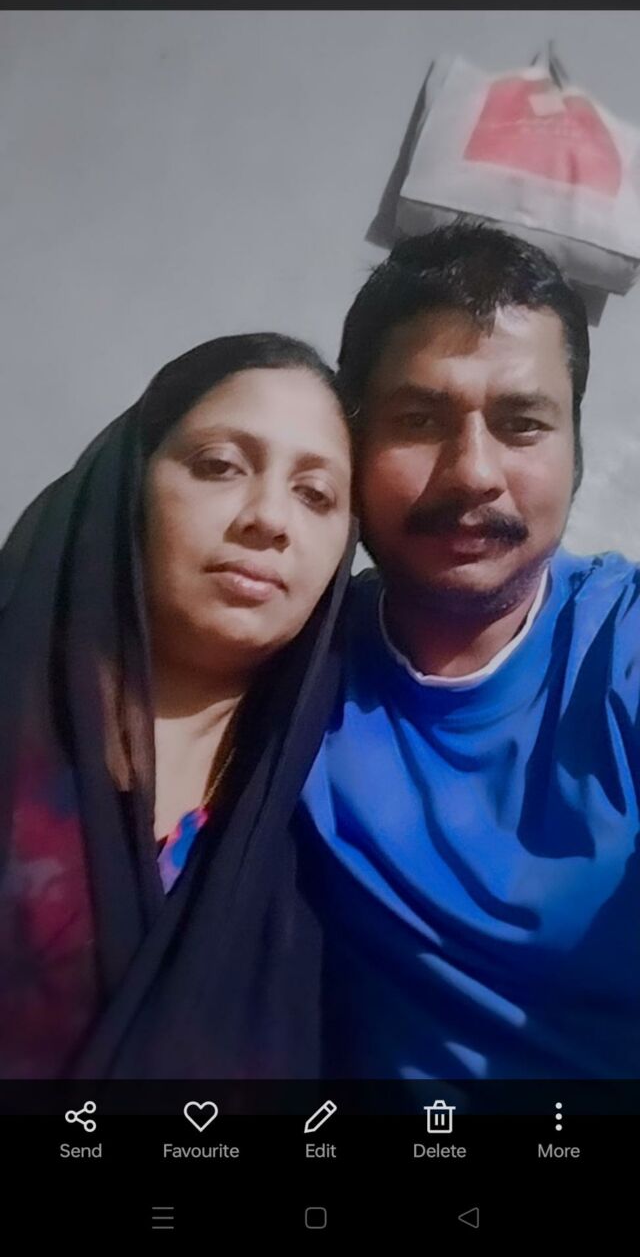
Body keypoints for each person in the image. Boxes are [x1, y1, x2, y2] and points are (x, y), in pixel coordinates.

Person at [300, 220, 640, 1080]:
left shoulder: (623, 641)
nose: (473, 472)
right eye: (419, 419)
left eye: (522, 424)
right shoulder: (289, 659)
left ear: (574, 449)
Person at [0, 333, 354, 1079]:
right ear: (132, 479)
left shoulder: (333, 821)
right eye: (221, 466)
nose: (269, 518)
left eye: (316, 494)